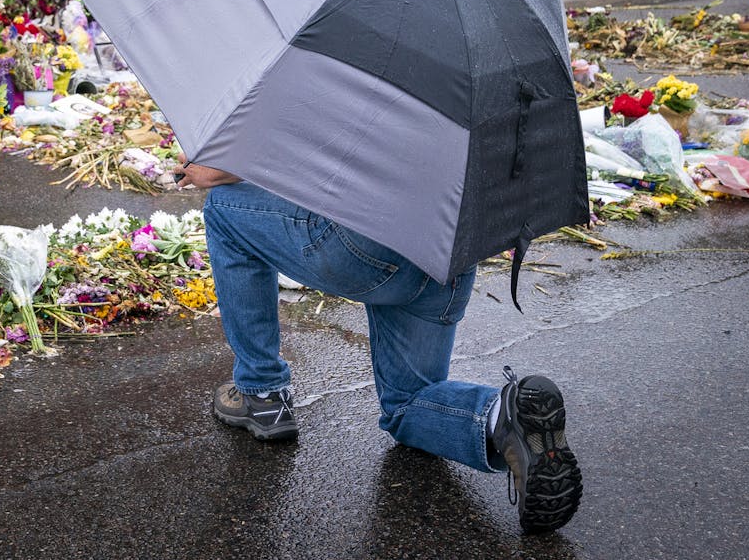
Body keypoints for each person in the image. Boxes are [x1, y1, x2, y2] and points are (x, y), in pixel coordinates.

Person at [178, 159, 583, 535]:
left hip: (367, 242)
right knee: (406, 407)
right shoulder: (481, 91)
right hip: (449, 252)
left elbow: (303, 148)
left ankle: (261, 391)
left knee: (224, 208)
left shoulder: (379, 78)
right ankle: (501, 416)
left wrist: (218, 169)